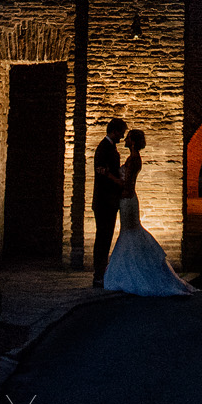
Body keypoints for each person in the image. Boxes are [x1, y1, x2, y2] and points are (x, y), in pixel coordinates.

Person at [102, 127, 198, 296]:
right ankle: (134, 267)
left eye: (128, 138)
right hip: (129, 199)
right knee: (130, 233)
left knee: (129, 233)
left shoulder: (133, 159)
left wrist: (108, 175)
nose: (125, 140)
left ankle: (134, 271)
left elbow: (126, 184)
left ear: (132, 141)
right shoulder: (134, 158)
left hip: (128, 199)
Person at [91, 117, 128, 287]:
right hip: (104, 200)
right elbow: (101, 170)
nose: (122, 137)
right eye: (121, 133)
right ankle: (98, 274)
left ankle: (102, 272)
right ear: (114, 131)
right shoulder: (104, 148)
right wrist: (117, 181)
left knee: (106, 237)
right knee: (102, 237)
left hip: (109, 200)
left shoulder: (109, 147)